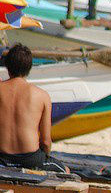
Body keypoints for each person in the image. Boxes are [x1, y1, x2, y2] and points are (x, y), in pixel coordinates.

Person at [0, 44, 64, 172]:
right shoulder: (42, 95)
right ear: (29, 68)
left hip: (1, 157)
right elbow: (46, 142)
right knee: (65, 170)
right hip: (30, 159)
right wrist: (44, 157)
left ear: (7, 66)